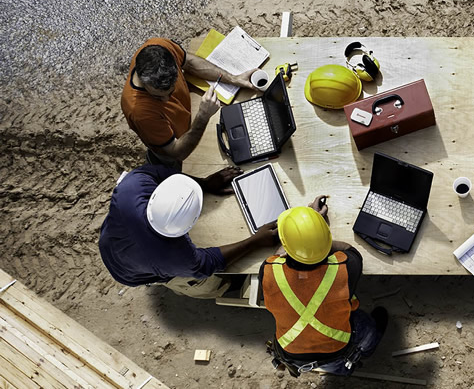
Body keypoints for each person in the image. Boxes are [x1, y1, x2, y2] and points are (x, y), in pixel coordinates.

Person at [98, 164, 275, 298]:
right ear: (189, 227)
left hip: (109, 242)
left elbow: (156, 172)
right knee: (208, 285)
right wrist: (256, 241)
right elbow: (207, 264)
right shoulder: (176, 257)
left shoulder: (131, 189)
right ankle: (220, 289)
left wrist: (204, 183)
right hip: (128, 273)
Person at [259, 203, 388, 377]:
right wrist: (317, 233)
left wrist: (300, 238)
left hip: (292, 350)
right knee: (365, 325)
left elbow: (277, 255)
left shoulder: (269, 271)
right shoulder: (347, 267)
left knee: (332, 364)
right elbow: (349, 249)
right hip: (336, 347)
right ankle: (365, 349)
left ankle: (339, 368)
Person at [121, 38, 257, 169]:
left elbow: (190, 63)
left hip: (188, 123)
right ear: (142, 80)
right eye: (157, 97)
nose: (167, 101)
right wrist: (203, 116)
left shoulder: (160, 46)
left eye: (171, 92)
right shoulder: (139, 112)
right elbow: (177, 152)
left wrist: (233, 78)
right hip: (174, 147)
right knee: (177, 166)